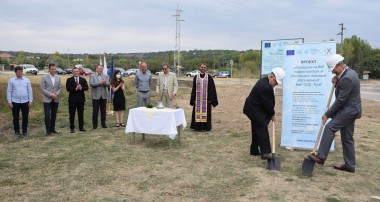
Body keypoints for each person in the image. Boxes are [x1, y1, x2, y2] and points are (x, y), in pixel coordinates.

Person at [308, 54, 362, 173]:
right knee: (347, 138)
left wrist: (327, 114)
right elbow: (343, 90)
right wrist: (337, 81)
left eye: (333, 69)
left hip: (349, 110)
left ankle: (321, 157)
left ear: (340, 65)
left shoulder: (347, 78)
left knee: (329, 128)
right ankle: (350, 165)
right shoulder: (348, 74)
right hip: (351, 109)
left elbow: (340, 100)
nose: (332, 72)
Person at [243, 68, 285, 160]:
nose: (276, 84)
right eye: (275, 81)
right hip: (253, 109)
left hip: (253, 108)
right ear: (271, 76)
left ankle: (254, 150)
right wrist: (273, 114)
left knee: (256, 128)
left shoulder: (264, 81)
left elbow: (266, 103)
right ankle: (265, 152)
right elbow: (268, 104)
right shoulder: (265, 86)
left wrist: (271, 114)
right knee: (262, 127)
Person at [189, 63, 218, 131]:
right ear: (200, 68)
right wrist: (193, 99)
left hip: (206, 100)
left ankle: (206, 127)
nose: (203, 68)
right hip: (198, 99)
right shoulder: (196, 77)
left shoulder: (209, 77)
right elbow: (194, 88)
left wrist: (210, 99)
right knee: (197, 113)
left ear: (206, 68)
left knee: (206, 114)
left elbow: (212, 89)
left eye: (204, 67)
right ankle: (197, 127)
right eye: (202, 67)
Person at [7, 66, 33, 138]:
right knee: (16, 117)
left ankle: (24, 131)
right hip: (15, 102)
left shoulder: (26, 80)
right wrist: (9, 101)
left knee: (25, 117)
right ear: (16, 72)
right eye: (19, 71)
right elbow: (9, 91)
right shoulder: (11, 81)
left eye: (21, 71)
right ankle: (17, 132)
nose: (20, 73)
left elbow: (30, 91)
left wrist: (30, 100)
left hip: (25, 101)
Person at [40, 63, 62, 135]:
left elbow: (60, 88)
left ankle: (53, 129)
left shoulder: (58, 77)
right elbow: (42, 89)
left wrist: (56, 94)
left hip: (55, 99)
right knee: (47, 115)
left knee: (54, 114)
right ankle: (48, 130)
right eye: (52, 69)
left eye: (54, 69)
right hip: (47, 99)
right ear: (49, 69)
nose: (53, 70)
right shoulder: (44, 77)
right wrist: (50, 95)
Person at [66, 67, 89, 133]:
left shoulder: (83, 79)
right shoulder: (69, 80)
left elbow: (86, 87)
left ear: (79, 72)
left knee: (81, 114)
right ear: (72, 72)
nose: (76, 72)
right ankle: (72, 127)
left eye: (77, 71)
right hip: (72, 100)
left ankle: (81, 127)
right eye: (75, 71)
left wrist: (81, 88)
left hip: (81, 99)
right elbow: (68, 88)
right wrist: (76, 88)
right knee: (72, 114)